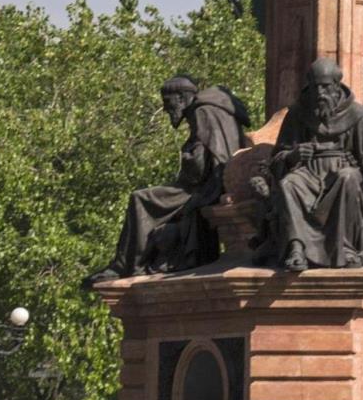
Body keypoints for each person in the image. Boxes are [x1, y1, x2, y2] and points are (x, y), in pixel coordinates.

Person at [89, 78, 250, 282]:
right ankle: (131, 263)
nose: (166, 109)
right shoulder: (212, 108)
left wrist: (187, 155)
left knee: (141, 199)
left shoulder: (201, 112)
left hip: (207, 186)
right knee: (146, 197)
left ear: (182, 98)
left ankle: (126, 265)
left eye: (168, 102)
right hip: (210, 181)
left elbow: (199, 167)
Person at [255, 59, 363, 270]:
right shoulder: (298, 114)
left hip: (342, 173)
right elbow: (278, 157)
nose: (320, 92)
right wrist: (293, 155)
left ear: (337, 86)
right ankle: (296, 248)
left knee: (348, 177)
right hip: (308, 174)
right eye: (315, 86)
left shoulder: (357, 115)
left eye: (325, 86)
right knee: (289, 183)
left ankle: (345, 249)